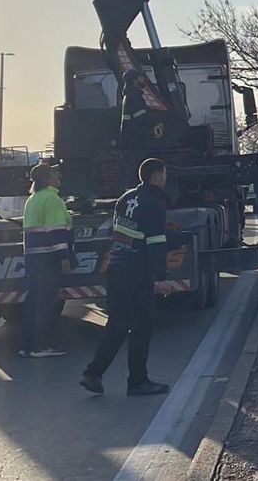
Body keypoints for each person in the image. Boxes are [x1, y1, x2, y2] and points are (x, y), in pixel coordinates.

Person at [81, 158, 180, 396]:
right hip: (138, 272)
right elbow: (155, 241)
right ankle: (137, 382)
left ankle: (93, 373)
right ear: (155, 176)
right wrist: (161, 277)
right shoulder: (154, 202)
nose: (165, 178)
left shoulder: (125, 199)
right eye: (164, 174)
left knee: (117, 324)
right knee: (142, 326)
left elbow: (125, 233)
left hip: (118, 267)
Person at [19, 163, 73, 359]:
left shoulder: (33, 199)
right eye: (55, 173)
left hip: (33, 258)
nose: (58, 176)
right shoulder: (52, 199)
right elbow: (55, 232)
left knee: (33, 302)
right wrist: (63, 258)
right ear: (47, 178)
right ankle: (41, 346)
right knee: (47, 304)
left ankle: (27, 346)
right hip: (48, 260)